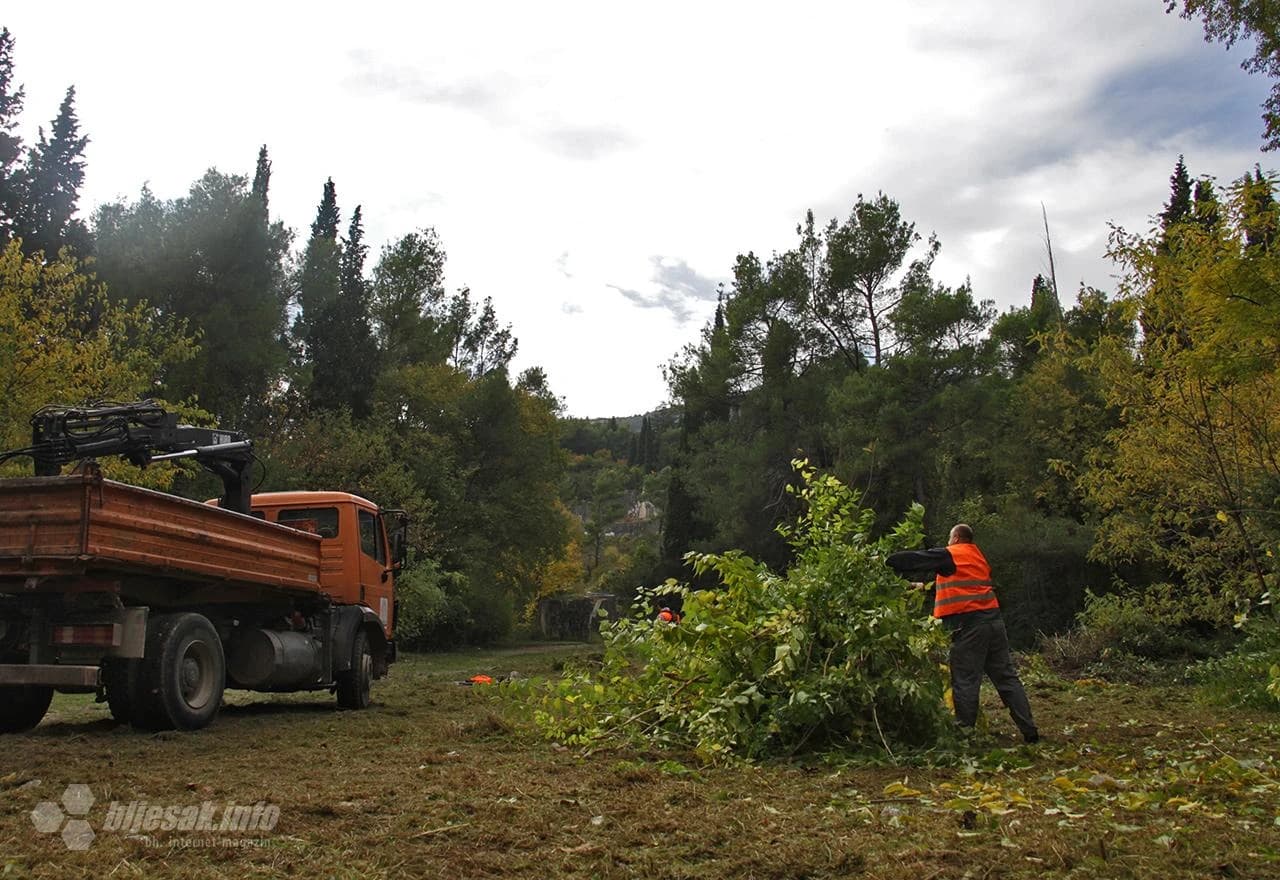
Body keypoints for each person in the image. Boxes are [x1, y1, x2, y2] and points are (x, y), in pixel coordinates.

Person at [886, 523, 1039, 744]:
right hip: (994, 623)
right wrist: (919, 586)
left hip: (970, 627)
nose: (948, 543)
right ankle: (1030, 731)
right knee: (1006, 677)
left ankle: (964, 735)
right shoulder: (977, 557)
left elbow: (918, 559)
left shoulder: (952, 554)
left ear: (956, 538)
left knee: (965, 679)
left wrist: (888, 561)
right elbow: (958, 583)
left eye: (949, 539)